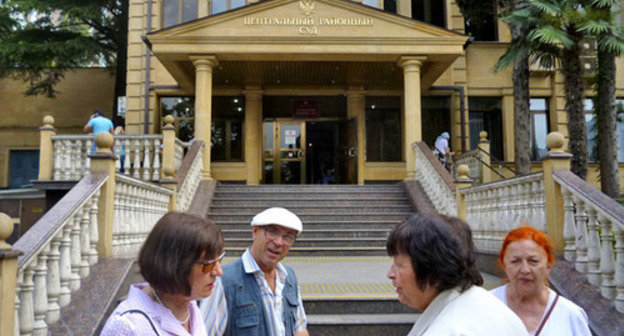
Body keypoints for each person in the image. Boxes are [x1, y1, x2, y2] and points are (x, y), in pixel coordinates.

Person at [386, 213, 528, 336]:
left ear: (434, 272)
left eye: (399, 264)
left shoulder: (449, 330)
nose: (390, 274)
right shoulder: (488, 306)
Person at [101, 212, 225, 336]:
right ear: (175, 265)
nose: (219, 272)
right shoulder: (127, 326)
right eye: (209, 264)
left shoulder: (190, 307)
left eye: (219, 259)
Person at [200, 207, 309, 336]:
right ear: (255, 232)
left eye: (288, 236)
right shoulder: (224, 281)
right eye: (272, 232)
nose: (279, 242)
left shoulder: (288, 277)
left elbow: (299, 329)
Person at [491, 226, 591, 336]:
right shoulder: (487, 306)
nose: (525, 270)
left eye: (533, 261)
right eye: (515, 261)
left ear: (548, 265)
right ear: (504, 265)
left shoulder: (571, 315)